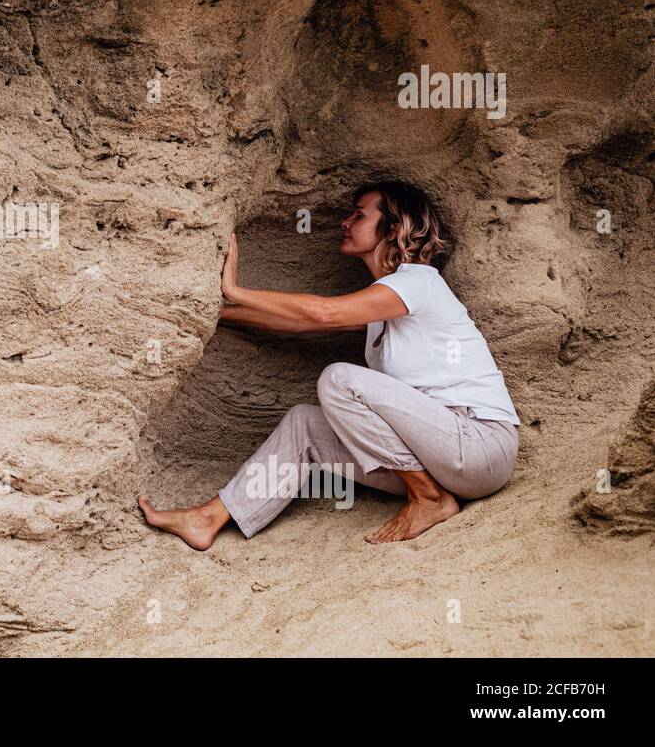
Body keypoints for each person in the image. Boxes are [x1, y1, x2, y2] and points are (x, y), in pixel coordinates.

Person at [138, 180, 520, 547]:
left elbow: (322, 313)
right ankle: (210, 517)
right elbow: (300, 321)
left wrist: (238, 290)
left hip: (480, 448)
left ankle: (429, 500)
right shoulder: (382, 305)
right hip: (438, 460)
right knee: (305, 422)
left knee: (339, 379)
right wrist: (219, 312)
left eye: (358, 215)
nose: (345, 222)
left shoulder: (419, 282)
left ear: (395, 227)